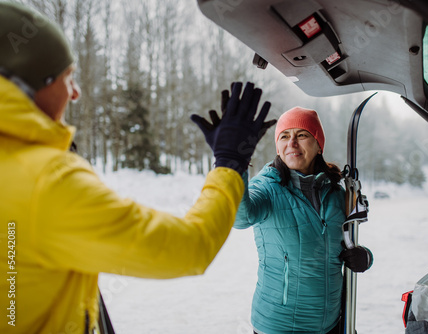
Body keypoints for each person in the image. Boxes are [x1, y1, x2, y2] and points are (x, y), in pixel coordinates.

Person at [0, 2, 275, 333]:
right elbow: (190, 248)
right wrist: (229, 164)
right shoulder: (46, 181)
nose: (75, 93)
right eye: (67, 77)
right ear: (26, 85)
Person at [234, 106, 373, 334]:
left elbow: (347, 244)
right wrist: (234, 167)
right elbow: (240, 217)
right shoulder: (267, 187)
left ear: (318, 145)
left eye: (302, 135)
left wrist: (364, 256)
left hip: (331, 322)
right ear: (277, 147)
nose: (292, 143)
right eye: (285, 136)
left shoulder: (337, 193)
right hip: (280, 326)